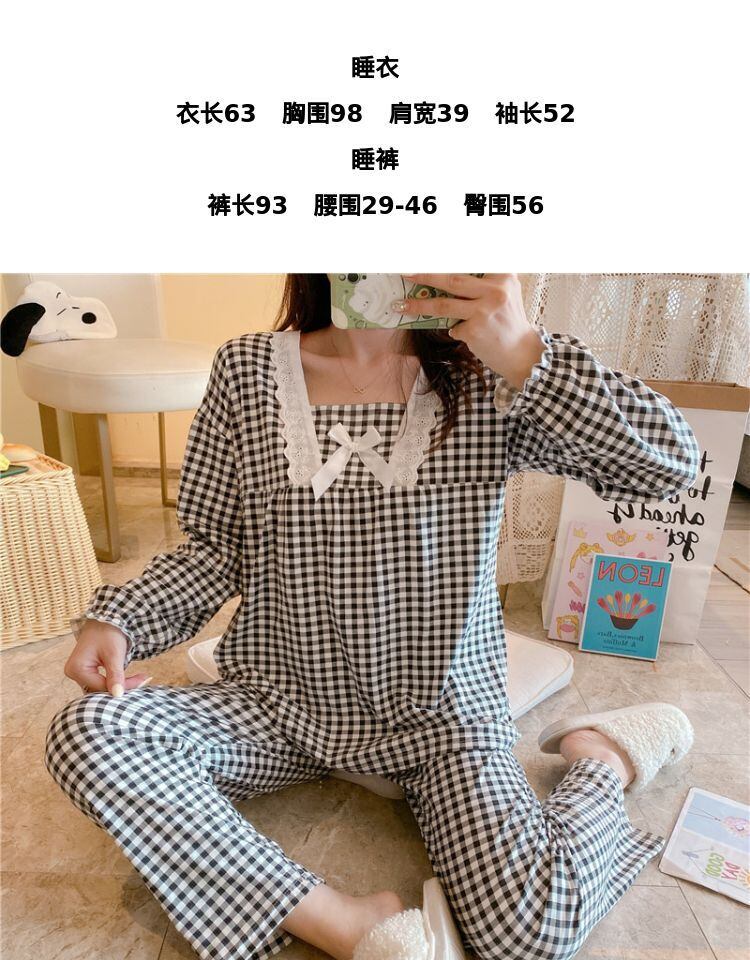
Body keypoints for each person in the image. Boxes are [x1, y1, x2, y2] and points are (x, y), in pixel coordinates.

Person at [45, 274, 700, 960]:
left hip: (442, 719)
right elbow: (217, 546)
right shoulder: (247, 370)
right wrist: (120, 620)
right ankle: (344, 921)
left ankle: (603, 757)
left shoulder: (489, 374)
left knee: (533, 930)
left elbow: (668, 467)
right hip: (279, 704)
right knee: (90, 733)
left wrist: (524, 352)